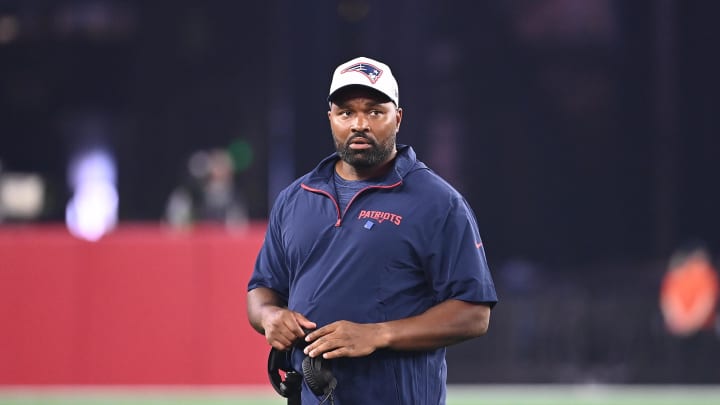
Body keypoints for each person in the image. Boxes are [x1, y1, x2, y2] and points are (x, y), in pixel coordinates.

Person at [247, 56, 497, 404]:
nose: (359, 124)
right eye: (346, 112)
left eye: (375, 111)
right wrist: (270, 316)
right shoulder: (296, 198)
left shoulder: (438, 202)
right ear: (330, 118)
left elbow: (474, 314)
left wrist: (378, 334)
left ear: (398, 118)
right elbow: (262, 289)